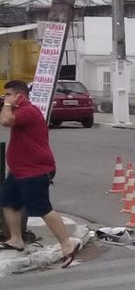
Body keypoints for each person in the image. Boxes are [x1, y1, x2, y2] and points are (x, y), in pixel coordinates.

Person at [0, 80, 81, 266]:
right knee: (7, 202)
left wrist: (6, 105)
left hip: (34, 170)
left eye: (9, 95)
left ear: (20, 95)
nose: (6, 98)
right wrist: (8, 104)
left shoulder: (28, 111)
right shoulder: (19, 111)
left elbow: (5, 121)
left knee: (42, 208)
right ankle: (16, 239)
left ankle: (66, 244)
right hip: (19, 171)